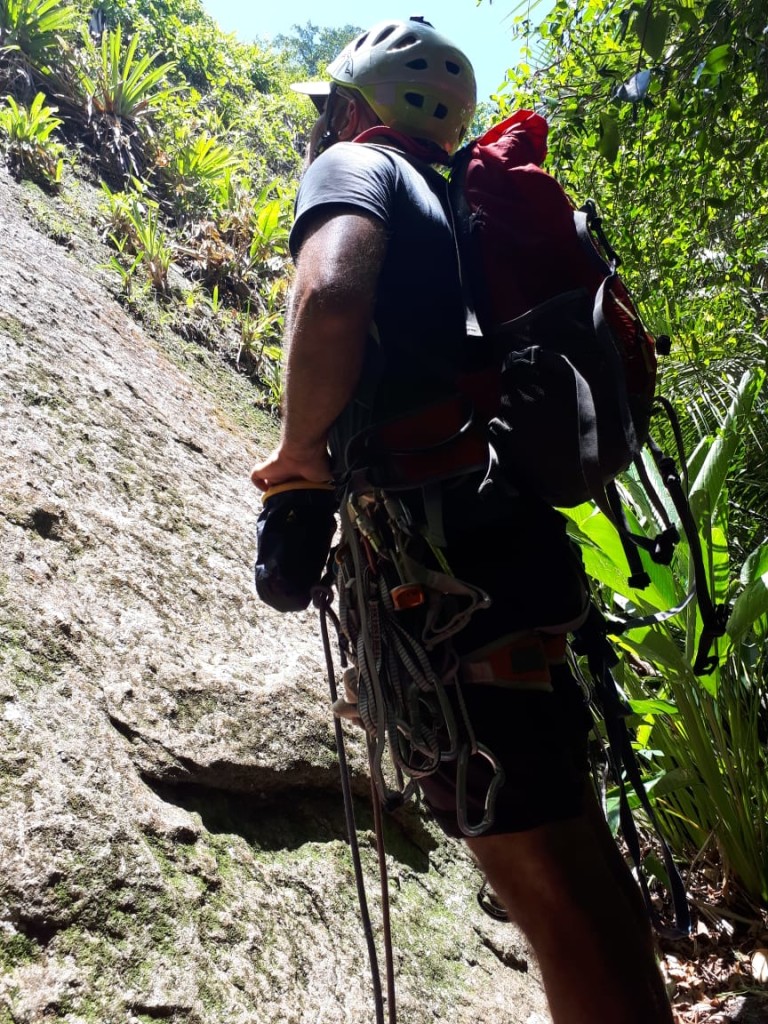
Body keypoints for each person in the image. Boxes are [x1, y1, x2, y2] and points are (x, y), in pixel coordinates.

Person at [250, 17, 674, 1024]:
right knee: (567, 847)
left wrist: (298, 463)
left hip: (445, 570)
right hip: (504, 548)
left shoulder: (357, 167)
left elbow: (335, 290)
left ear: (358, 107)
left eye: (329, 108)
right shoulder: (454, 207)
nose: (322, 125)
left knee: (545, 880)